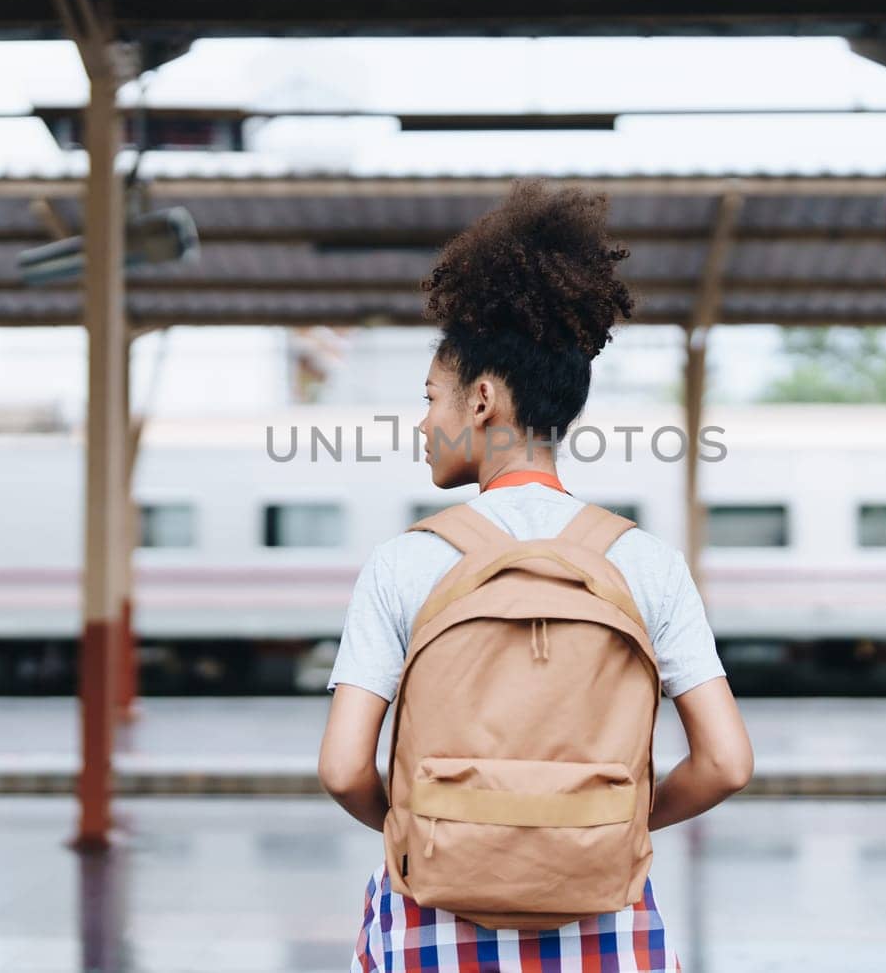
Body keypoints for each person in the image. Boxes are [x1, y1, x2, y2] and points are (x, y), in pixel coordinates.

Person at [318, 178, 753, 971]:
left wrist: (433, 829)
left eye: (431, 397)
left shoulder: (405, 562)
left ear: (481, 399)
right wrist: (589, 827)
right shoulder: (646, 563)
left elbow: (345, 768)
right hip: (605, 925)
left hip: (432, 924)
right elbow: (726, 761)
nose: (422, 422)